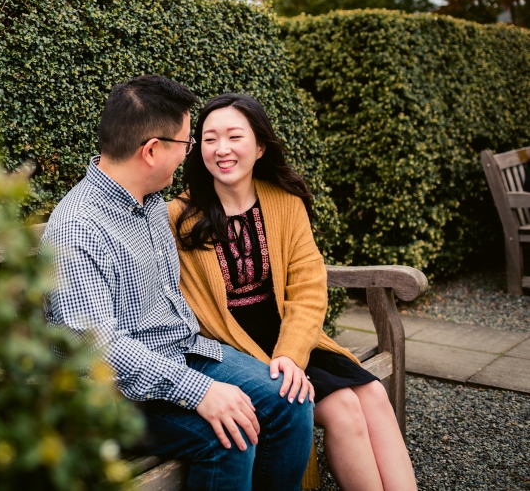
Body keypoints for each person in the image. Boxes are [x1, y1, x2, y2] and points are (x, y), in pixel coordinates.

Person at [42, 76, 314, 491]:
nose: (191, 155)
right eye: (187, 144)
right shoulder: (79, 228)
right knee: (231, 436)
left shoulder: (148, 201)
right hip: (107, 395)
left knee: (290, 403)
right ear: (151, 151)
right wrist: (199, 391)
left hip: (180, 353)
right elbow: (96, 348)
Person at [168, 93, 417, 491]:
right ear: (198, 150)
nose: (222, 149)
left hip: (292, 340)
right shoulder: (178, 215)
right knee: (344, 409)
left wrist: (291, 353)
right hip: (235, 351)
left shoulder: (284, 202)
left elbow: (308, 285)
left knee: (371, 393)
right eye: (210, 139)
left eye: (235, 136)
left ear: (260, 146)